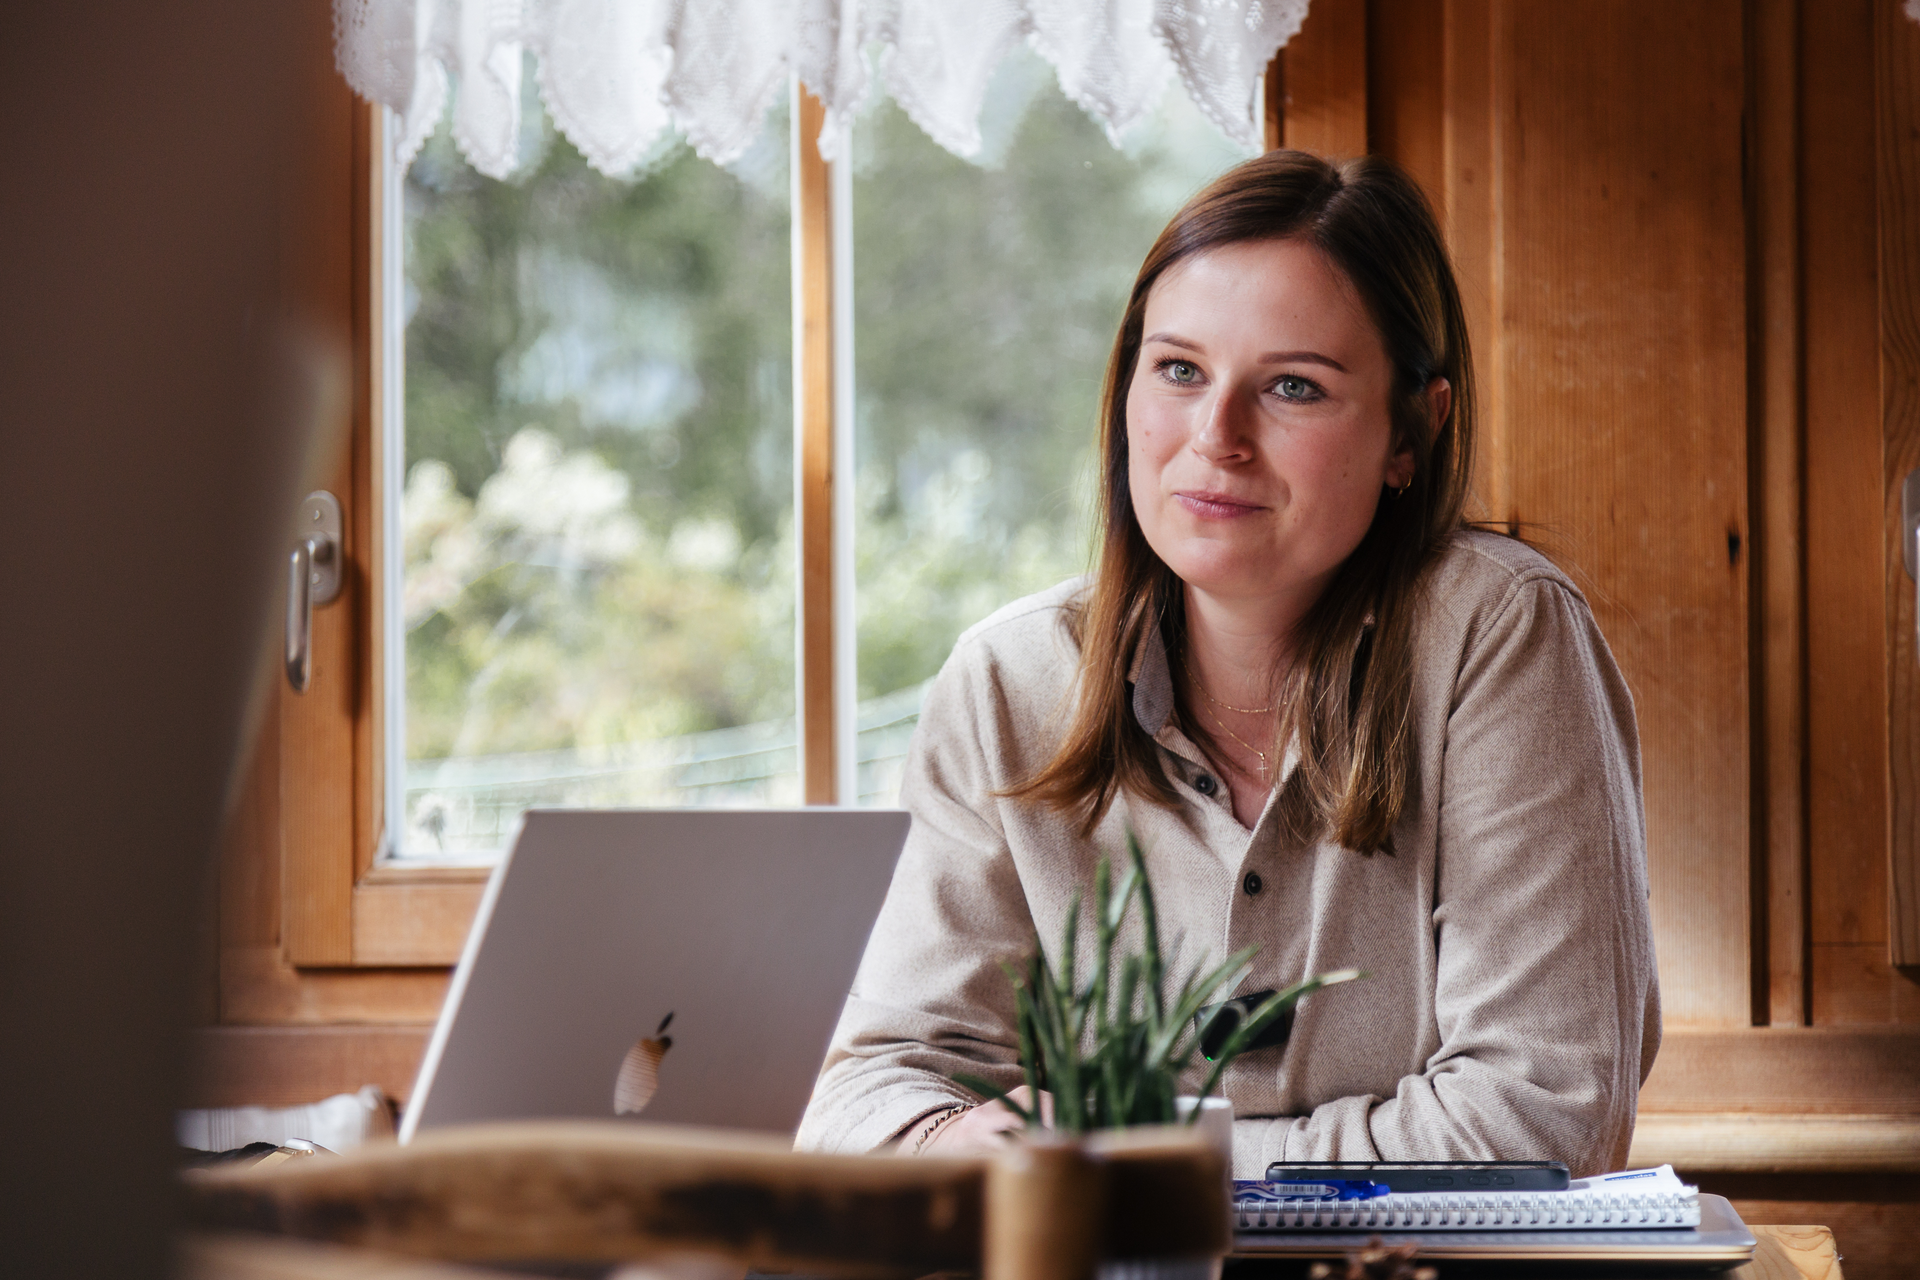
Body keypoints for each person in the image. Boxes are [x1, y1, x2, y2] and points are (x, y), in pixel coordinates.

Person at [794, 150, 1660, 1178]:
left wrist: (1139, 1162)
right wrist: (949, 1132)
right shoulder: (1006, 680)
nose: (1216, 436)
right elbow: (870, 1086)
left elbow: (1543, 1120)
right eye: (1179, 370)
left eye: (1294, 386)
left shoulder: (1500, 632)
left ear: (1411, 432)